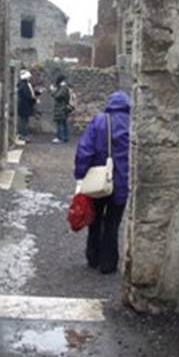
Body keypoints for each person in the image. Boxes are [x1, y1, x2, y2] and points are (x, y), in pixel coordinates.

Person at [74, 90, 130, 274]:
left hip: (98, 180)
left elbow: (85, 149)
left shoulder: (99, 121)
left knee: (95, 218)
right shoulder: (133, 123)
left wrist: (80, 174)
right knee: (113, 223)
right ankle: (108, 264)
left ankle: (93, 256)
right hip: (121, 181)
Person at [51, 74, 73, 143]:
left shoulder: (63, 87)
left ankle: (61, 138)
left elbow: (58, 96)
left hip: (61, 108)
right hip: (63, 107)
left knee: (60, 123)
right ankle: (65, 137)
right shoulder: (64, 87)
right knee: (63, 123)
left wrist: (53, 91)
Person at [16, 69, 37, 144]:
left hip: (24, 106)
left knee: (24, 121)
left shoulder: (22, 84)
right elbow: (28, 95)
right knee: (24, 121)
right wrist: (34, 100)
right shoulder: (24, 85)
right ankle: (23, 135)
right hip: (24, 106)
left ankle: (24, 134)